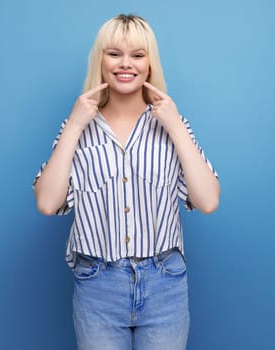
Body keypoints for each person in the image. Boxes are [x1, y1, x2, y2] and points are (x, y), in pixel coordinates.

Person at [33, 14, 220, 350]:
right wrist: (75, 126)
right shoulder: (76, 128)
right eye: (114, 53)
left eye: (138, 55)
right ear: (100, 60)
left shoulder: (172, 124)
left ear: (150, 64)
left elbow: (207, 201)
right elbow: (47, 203)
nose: (125, 64)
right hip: (97, 286)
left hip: (166, 284)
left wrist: (176, 127)